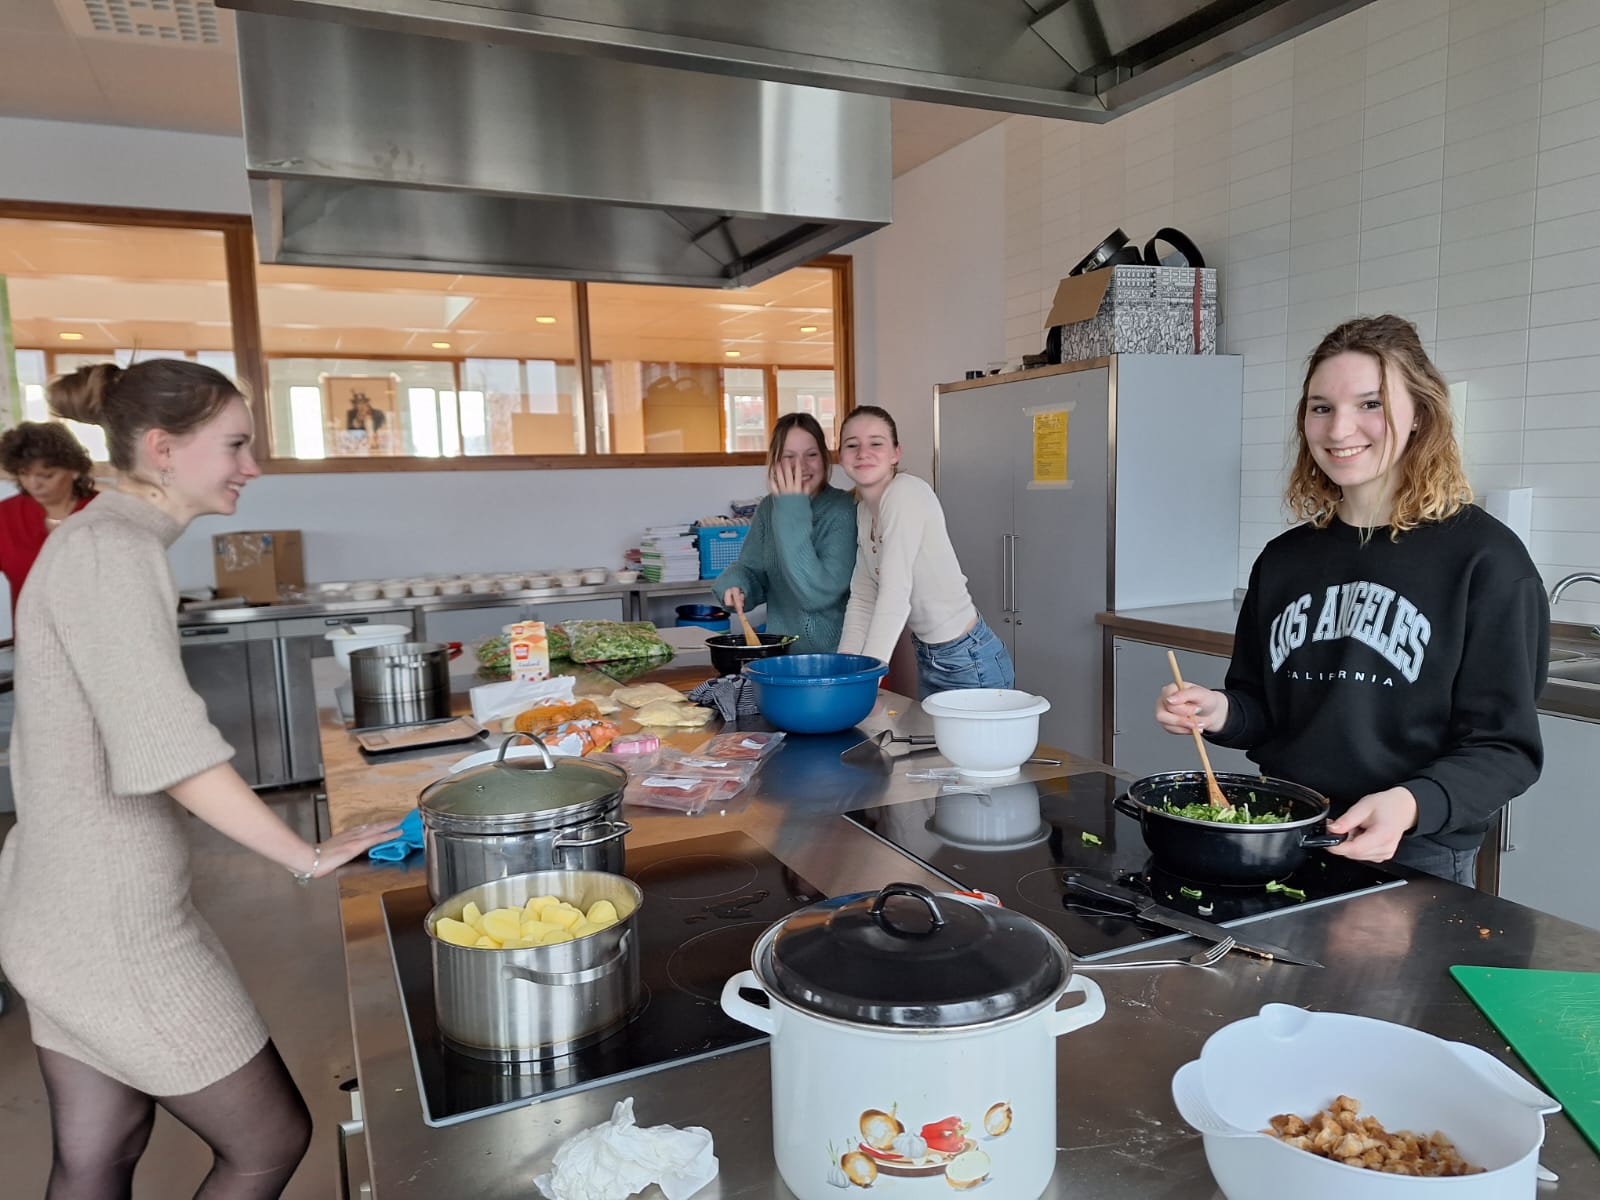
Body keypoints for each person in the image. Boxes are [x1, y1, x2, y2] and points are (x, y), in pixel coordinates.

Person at [0, 359, 395, 1199]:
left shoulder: (103, 537)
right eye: (236, 444)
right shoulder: (112, 550)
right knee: (268, 1140)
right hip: (111, 928)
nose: (252, 466)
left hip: (61, 909)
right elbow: (166, 748)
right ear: (161, 448)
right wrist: (307, 854)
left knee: (99, 1149)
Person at [1155, 315, 1548, 885]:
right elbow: (1261, 709)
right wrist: (1219, 712)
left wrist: (1411, 803)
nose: (1340, 430)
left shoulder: (1486, 561)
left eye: (1370, 404)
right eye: (1321, 407)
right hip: (1281, 826)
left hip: (1413, 850)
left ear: (1421, 415)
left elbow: (1505, 749)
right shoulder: (1285, 559)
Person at [835, 405, 1015, 699]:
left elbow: (896, 594)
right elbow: (864, 597)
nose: (862, 453)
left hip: (969, 660)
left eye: (876, 443)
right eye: (852, 445)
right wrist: (845, 665)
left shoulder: (906, 494)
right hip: (933, 657)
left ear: (896, 453)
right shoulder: (864, 511)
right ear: (841, 456)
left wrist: (865, 681)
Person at [712, 412, 856, 654]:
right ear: (775, 462)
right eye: (789, 456)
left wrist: (791, 508)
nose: (800, 466)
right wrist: (736, 584)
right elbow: (752, 569)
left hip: (832, 658)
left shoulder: (843, 510)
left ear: (824, 458)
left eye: (811, 455)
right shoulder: (769, 507)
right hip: (781, 655)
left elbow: (816, 595)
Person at [0, 420, 97, 615]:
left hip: (100, 637)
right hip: (33, 638)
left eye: (46, 475)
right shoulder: (5, 516)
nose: (33, 484)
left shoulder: (105, 513)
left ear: (75, 470)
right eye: (24, 474)